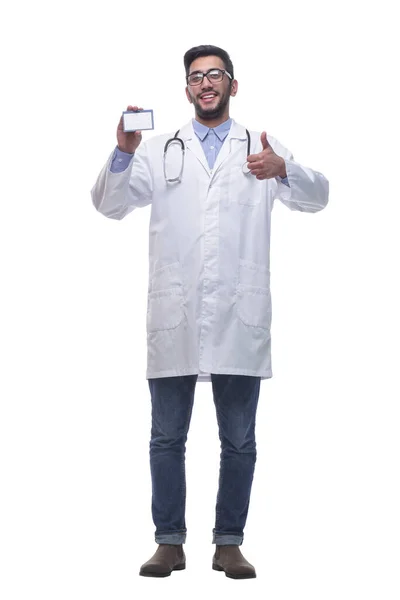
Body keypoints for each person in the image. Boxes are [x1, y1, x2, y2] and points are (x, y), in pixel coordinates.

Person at [91, 44, 329, 579]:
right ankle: (169, 542)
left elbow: (319, 197)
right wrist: (124, 151)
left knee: (239, 440)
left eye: (215, 74)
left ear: (232, 85)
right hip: (175, 315)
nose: (205, 83)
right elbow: (109, 205)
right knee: (166, 438)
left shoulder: (261, 148)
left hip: (238, 318)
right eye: (196, 76)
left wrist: (283, 169)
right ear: (186, 89)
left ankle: (228, 543)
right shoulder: (157, 149)